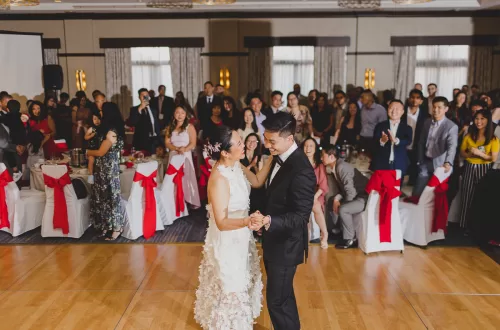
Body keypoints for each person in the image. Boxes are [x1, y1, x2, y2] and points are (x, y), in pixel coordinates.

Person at [194, 125, 273, 330]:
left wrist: (273, 156)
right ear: (225, 152)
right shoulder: (219, 178)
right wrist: (247, 222)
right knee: (232, 287)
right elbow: (221, 222)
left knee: (240, 283)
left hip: (240, 237)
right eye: (239, 143)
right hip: (227, 238)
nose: (243, 145)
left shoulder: (236, 165)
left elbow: (256, 181)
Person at [250, 112, 316, 330]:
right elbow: (270, 194)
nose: (267, 145)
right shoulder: (276, 156)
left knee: (277, 301)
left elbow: (300, 216)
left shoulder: (302, 170)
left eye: (272, 141)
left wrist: (268, 220)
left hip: (287, 245)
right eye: (265, 139)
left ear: (289, 139)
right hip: (273, 240)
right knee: (283, 297)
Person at [321, 144, 368, 249]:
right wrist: (337, 199)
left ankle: (350, 239)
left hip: (363, 198)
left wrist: (342, 205)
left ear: (332, 156)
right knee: (331, 201)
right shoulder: (336, 167)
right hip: (356, 196)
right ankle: (336, 230)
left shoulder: (342, 167)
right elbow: (345, 190)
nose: (321, 158)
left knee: (343, 209)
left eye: (323, 155)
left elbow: (351, 192)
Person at [459, 109, 498, 231]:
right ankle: (463, 225)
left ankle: (478, 227)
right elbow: (462, 152)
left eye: (482, 119)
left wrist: (480, 154)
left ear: (488, 120)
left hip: (484, 168)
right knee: (466, 195)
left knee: (482, 197)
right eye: (476, 118)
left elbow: (493, 158)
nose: (479, 122)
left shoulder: (493, 139)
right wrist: (470, 154)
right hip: (470, 166)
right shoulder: (469, 135)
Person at [413, 97, 458, 197]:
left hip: (440, 164)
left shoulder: (451, 126)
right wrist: (420, 160)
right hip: (425, 161)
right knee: (418, 192)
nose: (435, 110)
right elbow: (421, 142)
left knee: (436, 195)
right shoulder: (427, 122)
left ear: (446, 109)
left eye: (439, 107)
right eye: (434, 107)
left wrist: (448, 162)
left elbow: (452, 146)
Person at [87, 128, 125, 241]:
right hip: (101, 174)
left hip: (110, 174)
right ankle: (106, 226)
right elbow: (92, 160)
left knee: (113, 199)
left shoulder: (112, 138)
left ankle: (117, 228)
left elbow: (101, 152)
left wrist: (87, 151)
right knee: (102, 200)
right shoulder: (99, 139)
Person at [164, 105, 200, 209]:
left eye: (182, 113)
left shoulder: (190, 127)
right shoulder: (170, 127)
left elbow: (193, 143)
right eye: (177, 113)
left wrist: (184, 149)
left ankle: (188, 200)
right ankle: (175, 202)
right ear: (174, 114)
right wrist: (175, 148)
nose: (180, 115)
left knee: (186, 177)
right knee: (173, 178)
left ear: (186, 115)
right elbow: (167, 142)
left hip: (185, 154)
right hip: (174, 154)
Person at [372, 99, 413, 178]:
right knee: (382, 188)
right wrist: (382, 141)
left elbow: (408, 141)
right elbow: (374, 141)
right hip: (382, 163)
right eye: (391, 108)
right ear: (388, 110)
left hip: (399, 163)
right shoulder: (380, 126)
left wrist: (396, 141)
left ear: (402, 112)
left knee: (396, 189)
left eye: (397, 109)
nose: (394, 111)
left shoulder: (407, 128)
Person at [302, 137, 329, 249]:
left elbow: (323, 185)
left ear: (315, 149)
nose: (308, 148)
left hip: (316, 194)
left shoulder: (319, 165)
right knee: (304, 207)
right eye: (306, 146)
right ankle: (305, 237)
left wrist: (314, 197)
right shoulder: (299, 163)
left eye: (311, 146)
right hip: (301, 194)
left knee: (315, 205)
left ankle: (325, 234)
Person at [403, 89, 429, 185]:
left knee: (414, 170)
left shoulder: (425, 115)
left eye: (418, 98)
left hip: (416, 146)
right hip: (402, 144)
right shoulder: (402, 112)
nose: (415, 100)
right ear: (409, 99)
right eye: (413, 97)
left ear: (421, 101)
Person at [129, 88, 161, 154]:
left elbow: (157, 126)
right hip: (141, 142)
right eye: (142, 95)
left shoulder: (154, 110)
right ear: (139, 97)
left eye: (146, 95)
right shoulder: (134, 109)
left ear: (148, 97)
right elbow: (132, 122)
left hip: (154, 142)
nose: (144, 97)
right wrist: (140, 108)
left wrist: (159, 142)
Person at [240, 133, 265, 214]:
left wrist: (255, 166)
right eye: (249, 141)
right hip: (243, 185)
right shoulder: (241, 155)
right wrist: (251, 165)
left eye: (254, 141)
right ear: (245, 142)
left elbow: (259, 177)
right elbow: (240, 174)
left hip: (255, 186)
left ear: (257, 143)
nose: (251, 143)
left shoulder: (260, 157)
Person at [84, 110, 104, 184]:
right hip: (92, 149)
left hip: (100, 148)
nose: (97, 121)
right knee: (91, 160)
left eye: (98, 119)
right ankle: (90, 175)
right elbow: (85, 137)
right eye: (95, 119)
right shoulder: (92, 129)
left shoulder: (102, 128)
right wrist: (91, 135)